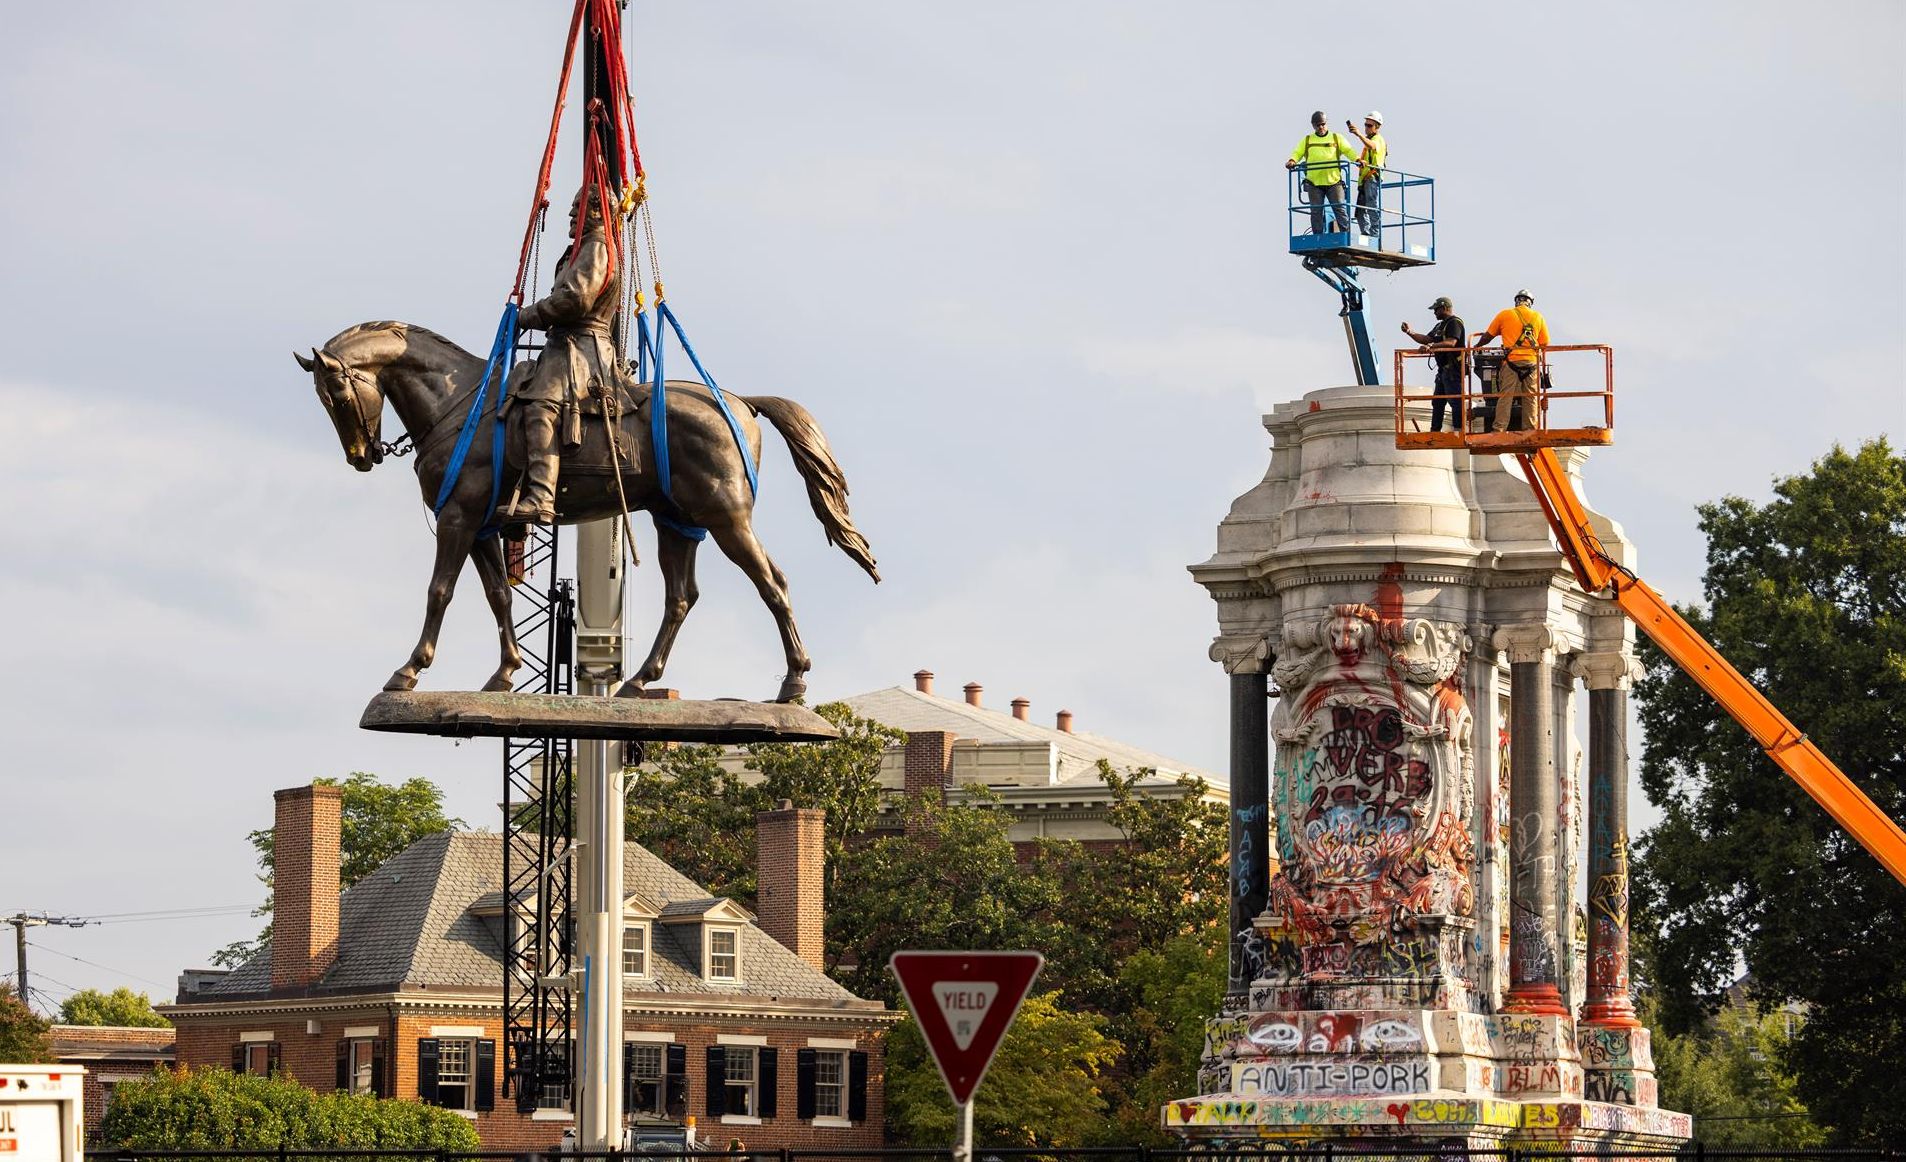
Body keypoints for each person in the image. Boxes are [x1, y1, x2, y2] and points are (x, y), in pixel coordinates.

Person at [505, 183, 627, 524]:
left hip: (580, 348)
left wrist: (527, 316)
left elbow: (574, 300)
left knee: (540, 407)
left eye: (580, 207)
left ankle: (541, 497)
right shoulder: (582, 249)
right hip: (566, 343)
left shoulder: (598, 248)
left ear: (601, 212)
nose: (572, 214)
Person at [1473, 289, 1550, 433]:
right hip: (1531, 363)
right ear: (1530, 303)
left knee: (1506, 396)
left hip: (1511, 362)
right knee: (1531, 397)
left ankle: (1499, 428)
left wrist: (1477, 346)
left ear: (1516, 301)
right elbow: (1545, 342)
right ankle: (1530, 429)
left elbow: (1488, 336)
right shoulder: (1538, 317)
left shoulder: (1505, 314)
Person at [1285, 111, 1358, 234]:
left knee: (1340, 208)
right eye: (1318, 125)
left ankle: (1346, 235)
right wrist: (1292, 160)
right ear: (1313, 125)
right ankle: (1317, 236)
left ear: (1326, 123)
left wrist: (1357, 159)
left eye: (1323, 124)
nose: (1321, 127)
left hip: (1333, 182)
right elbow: (1297, 152)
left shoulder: (1336, 138)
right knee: (1316, 211)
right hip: (1315, 183)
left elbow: (1348, 150)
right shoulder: (1308, 140)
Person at [1402, 296, 1466, 432]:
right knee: (1438, 402)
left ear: (1444, 308)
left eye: (1436, 310)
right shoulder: (1440, 325)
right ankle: (1435, 430)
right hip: (1443, 371)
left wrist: (1431, 346)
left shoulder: (1455, 323)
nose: (1434, 312)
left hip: (1453, 370)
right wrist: (1410, 332)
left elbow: (1451, 342)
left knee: (1455, 400)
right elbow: (1426, 339)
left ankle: (1459, 430)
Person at [1345, 111, 1386, 237]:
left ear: (1377, 127)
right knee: (1360, 212)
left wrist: (1358, 134)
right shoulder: (1370, 139)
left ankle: (1375, 235)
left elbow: (1372, 146)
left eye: (1369, 125)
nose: (1366, 128)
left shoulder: (1378, 139)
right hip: (1365, 180)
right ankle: (1366, 234)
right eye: (1365, 125)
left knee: (1372, 207)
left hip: (1372, 179)